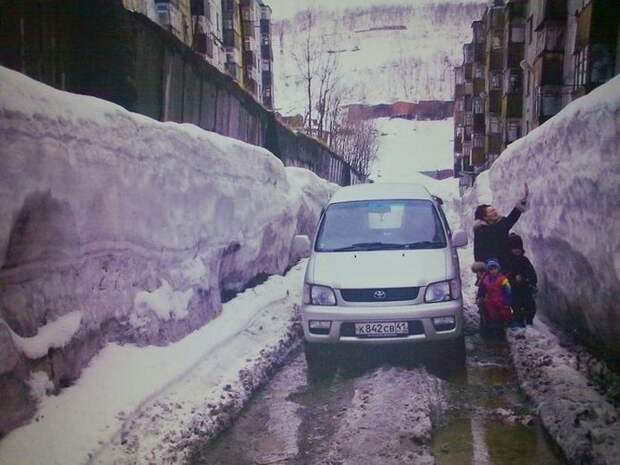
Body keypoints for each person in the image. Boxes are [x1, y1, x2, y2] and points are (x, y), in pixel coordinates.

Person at [473, 183, 529, 269]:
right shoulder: (481, 231)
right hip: (493, 269)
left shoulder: (501, 224)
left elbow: (512, 218)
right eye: (491, 211)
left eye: (494, 209)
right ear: (485, 217)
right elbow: (478, 252)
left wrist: (522, 201)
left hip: (507, 265)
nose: (494, 212)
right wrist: (482, 269)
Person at [505, 233, 538, 326]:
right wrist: (513, 277)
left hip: (525, 287)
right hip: (513, 288)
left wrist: (531, 281)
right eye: (514, 248)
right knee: (516, 305)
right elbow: (506, 274)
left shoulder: (525, 260)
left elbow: (531, 272)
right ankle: (519, 321)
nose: (517, 250)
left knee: (530, 305)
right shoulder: (508, 261)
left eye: (518, 248)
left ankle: (529, 321)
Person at [476, 259, 513, 335]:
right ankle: (491, 332)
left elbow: (508, 291)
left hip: (500, 302)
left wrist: (507, 302)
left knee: (500, 318)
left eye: (494, 269)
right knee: (490, 318)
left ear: (498, 269)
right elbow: (482, 289)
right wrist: (479, 297)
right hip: (489, 302)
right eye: (491, 269)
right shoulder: (485, 279)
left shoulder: (503, 279)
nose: (493, 271)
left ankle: (500, 334)